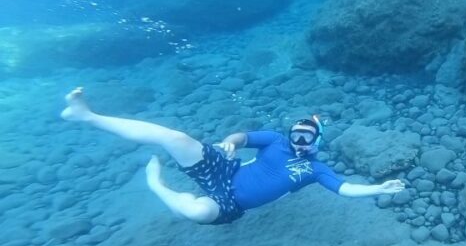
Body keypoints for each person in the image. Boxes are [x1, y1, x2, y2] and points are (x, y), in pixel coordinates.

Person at [60, 87, 406, 224]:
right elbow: (242, 136)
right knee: (174, 137)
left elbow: (344, 189)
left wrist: (377, 189)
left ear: (317, 140)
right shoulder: (274, 140)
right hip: (226, 168)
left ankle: (157, 185)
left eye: (307, 136)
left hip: (231, 205)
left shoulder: (315, 169)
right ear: (289, 134)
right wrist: (229, 142)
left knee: (198, 211)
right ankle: (86, 116)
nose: (299, 141)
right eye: (296, 134)